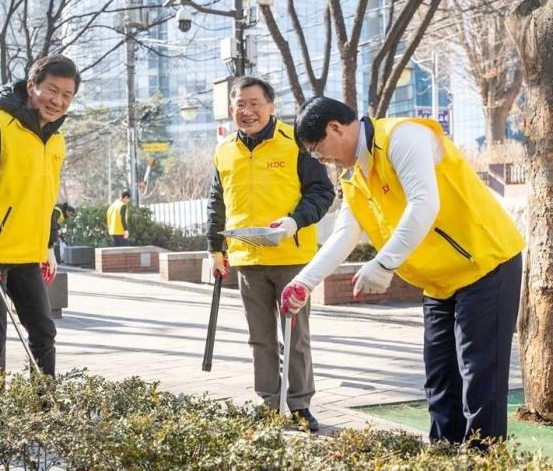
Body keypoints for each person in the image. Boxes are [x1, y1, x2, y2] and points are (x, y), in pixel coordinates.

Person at [280, 96, 525, 444]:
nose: (322, 160)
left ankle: (483, 461)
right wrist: (303, 282)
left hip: (486, 264)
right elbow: (345, 235)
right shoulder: (355, 178)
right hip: (439, 282)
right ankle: (442, 456)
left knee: (480, 376)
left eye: (318, 150)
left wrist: (383, 264)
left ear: (336, 127)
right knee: (440, 380)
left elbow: (424, 203)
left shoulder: (402, 137)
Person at [0, 54, 80, 454]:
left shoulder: (56, 139)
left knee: (43, 332)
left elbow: (43, 198)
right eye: (51, 90)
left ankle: (45, 414)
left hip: (26, 253)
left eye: (67, 95)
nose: (57, 100)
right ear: (31, 86)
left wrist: (48, 244)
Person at [206, 77, 334, 432]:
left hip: (291, 259)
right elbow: (216, 202)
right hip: (247, 260)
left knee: (295, 336)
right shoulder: (224, 150)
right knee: (259, 337)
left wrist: (295, 222)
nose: (247, 111)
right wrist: (214, 249)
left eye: (254, 103)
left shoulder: (295, 142)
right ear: (231, 109)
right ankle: (268, 402)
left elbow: (323, 192)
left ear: (271, 106)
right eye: (240, 105)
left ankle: (298, 404)